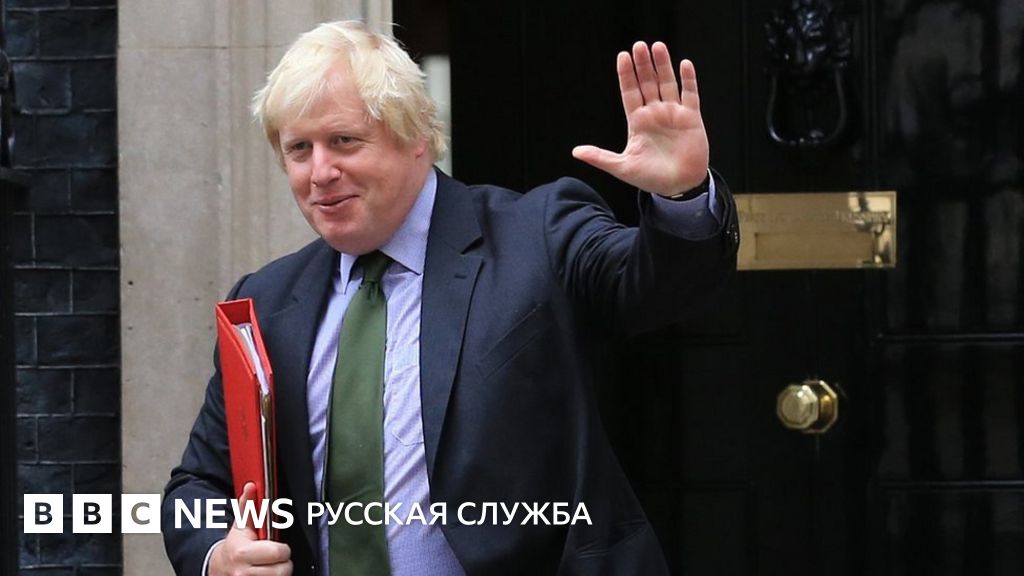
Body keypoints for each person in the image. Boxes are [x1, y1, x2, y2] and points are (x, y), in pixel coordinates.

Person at [162, 19, 738, 576]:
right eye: (298, 149)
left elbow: (654, 289)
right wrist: (218, 555)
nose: (320, 172)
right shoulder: (267, 302)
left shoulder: (534, 235)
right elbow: (198, 486)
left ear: (416, 135)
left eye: (344, 141)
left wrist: (681, 197)